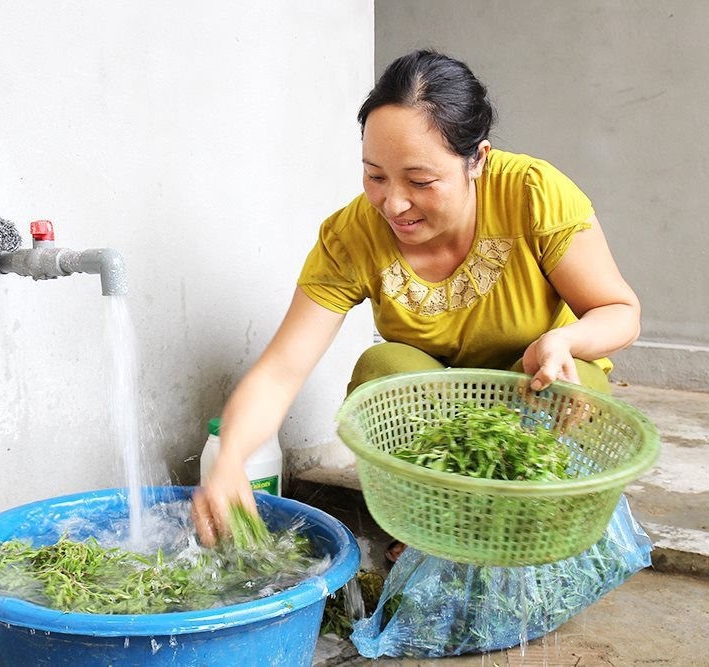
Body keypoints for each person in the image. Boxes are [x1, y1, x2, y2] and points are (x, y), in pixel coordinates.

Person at [192, 49, 641, 547]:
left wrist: (565, 339)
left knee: (574, 393)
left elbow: (620, 312)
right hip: (439, 408)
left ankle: (525, 530)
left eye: (421, 181)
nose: (394, 203)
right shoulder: (353, 235)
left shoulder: (531, 193)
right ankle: (430, 521)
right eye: (375, 176)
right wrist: (230, 458)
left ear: (479, 160)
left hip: (535, 386)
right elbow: (282, 369)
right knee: (383, 367)